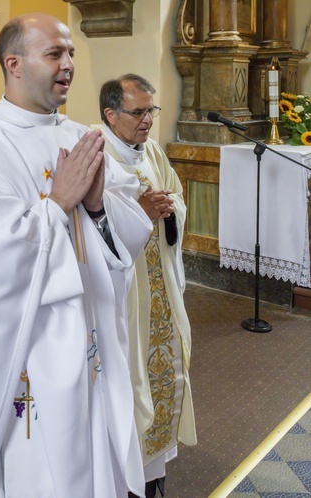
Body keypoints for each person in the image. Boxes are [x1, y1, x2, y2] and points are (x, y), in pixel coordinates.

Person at [0, 13, 153, 498]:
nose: (69, 65)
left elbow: (126, 233)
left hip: (86, 339)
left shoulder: (81, 137)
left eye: (71, 54)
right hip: (25, 350)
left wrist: (97, 205)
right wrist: (58, 203)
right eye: (55, 54)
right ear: (14, 64)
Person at [98, 74, 196, 498]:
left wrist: (169, 211)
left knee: (159, 372)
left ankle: (153, 473)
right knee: (128, 379)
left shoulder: (152, 151)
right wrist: (138, 212)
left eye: (150, 111)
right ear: (110, 114)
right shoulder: (95, 155)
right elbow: (84, 229)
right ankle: (122, 478)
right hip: (122, 298)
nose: (148, 121)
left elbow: (174, 194)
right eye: (138, 112)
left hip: (157, 291)